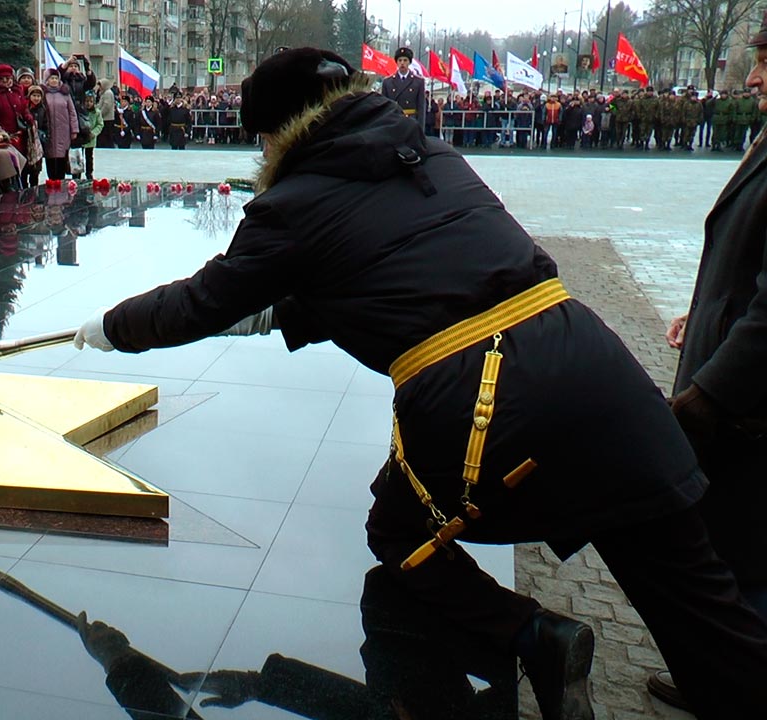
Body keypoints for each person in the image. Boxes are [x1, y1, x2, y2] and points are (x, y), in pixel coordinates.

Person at [71, 47, 767, 720]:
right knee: (704, 617)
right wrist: (277, 315)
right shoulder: (429, 156)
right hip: (598, 370)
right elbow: (410, 272)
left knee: (398, 530)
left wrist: (113, 325)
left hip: (490, 403)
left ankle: (536, 637)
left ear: (276, 131)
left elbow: (202, 300)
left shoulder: (291, 204)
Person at [653, 17, 767, 714]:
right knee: (719, 552)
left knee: (748, 566)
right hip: (734, 394)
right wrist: (706, 311)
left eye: (765, 61)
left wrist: (706, 396)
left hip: (748, 411)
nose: (752, 78)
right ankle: (716, 679)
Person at [39, 69, 78, 180]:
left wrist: (74, 130)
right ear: (47, 80)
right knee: (50, 157)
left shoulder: (65, 94)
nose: (54, 80)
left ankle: (61, 181)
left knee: (62, 157)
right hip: (49, 132)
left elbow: (72, 112)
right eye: (52, 78)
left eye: (56, 78)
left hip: (63, 132)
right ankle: (52, 182)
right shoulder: (43, 94)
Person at [380, 47, 426, 132]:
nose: (402, 63)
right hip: (393, 122)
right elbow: (384, 108)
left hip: (411, 122)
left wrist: (420, 130)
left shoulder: (418, 82)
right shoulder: (387, 82)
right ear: (396, 62)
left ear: (409, 62)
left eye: (405, 60)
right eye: (400, 60)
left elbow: (421, 108)